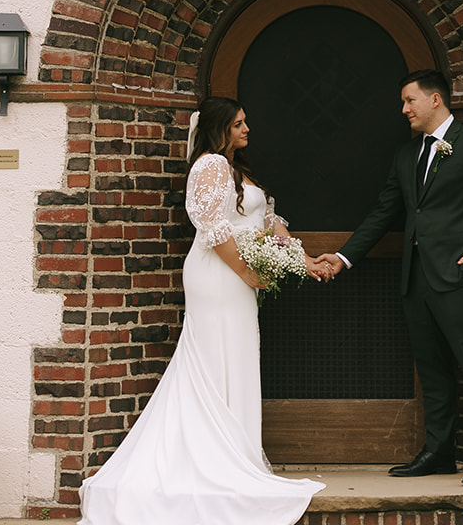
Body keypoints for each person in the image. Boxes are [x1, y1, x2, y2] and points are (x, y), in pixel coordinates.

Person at [80, 96, 327, 525]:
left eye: (245, 122)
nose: (246, 129)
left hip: (237, 273)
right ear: (218, 129)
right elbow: (213, 229)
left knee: (237, 358)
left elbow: (268, 222)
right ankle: (213, 458)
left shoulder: (237, 170)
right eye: (238, 124)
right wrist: (247, 271)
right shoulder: (210, 165)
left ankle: (237, 454)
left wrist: (302, 259)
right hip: (217, 274)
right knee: (216, 360)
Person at [318, 69, 463, 489]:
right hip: (415, 279)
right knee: (431, 369)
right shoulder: (406, 155)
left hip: (457, 277)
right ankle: (440, 451)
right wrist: (343, 256)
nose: (404, 109)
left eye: (409, 101)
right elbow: (384, 212)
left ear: (435, 100)